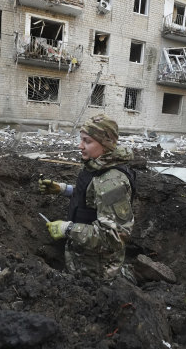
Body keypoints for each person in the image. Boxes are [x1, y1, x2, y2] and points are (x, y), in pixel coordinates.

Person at [39, 114, 136, 280]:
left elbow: (114, 237)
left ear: (105, 145)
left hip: (96, 272)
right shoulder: (98, 165)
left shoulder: (112, 181)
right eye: (81, 139)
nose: (80, 146)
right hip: (83, 259)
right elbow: (94, 196)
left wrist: (67, 229)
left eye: (87, 141)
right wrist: (64, 189)